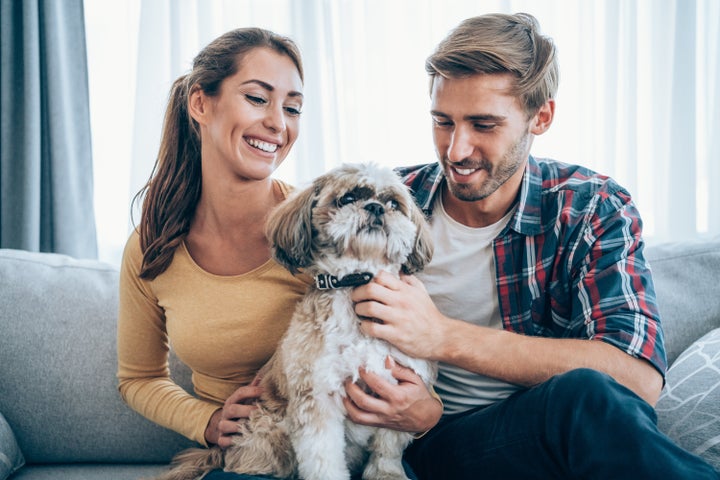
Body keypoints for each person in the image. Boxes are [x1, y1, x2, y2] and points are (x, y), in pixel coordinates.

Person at [346, 12, 720, 479]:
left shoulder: (588, 207)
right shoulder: (386, 202)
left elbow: (636, 379)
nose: (456, 150)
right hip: (400, 444)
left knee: (588, 396)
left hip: (520, 438)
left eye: (483, 125)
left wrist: (443, 336)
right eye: (443, 122)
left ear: (540, 116)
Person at [117, 28, 310, 480]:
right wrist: (206, 421)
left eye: (293, 107)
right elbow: (138, 378)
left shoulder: (319, 226)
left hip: (334, 440)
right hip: (245, 457)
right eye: (258, 98)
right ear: (201, 103)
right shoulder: (153, 245)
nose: (279, 124)